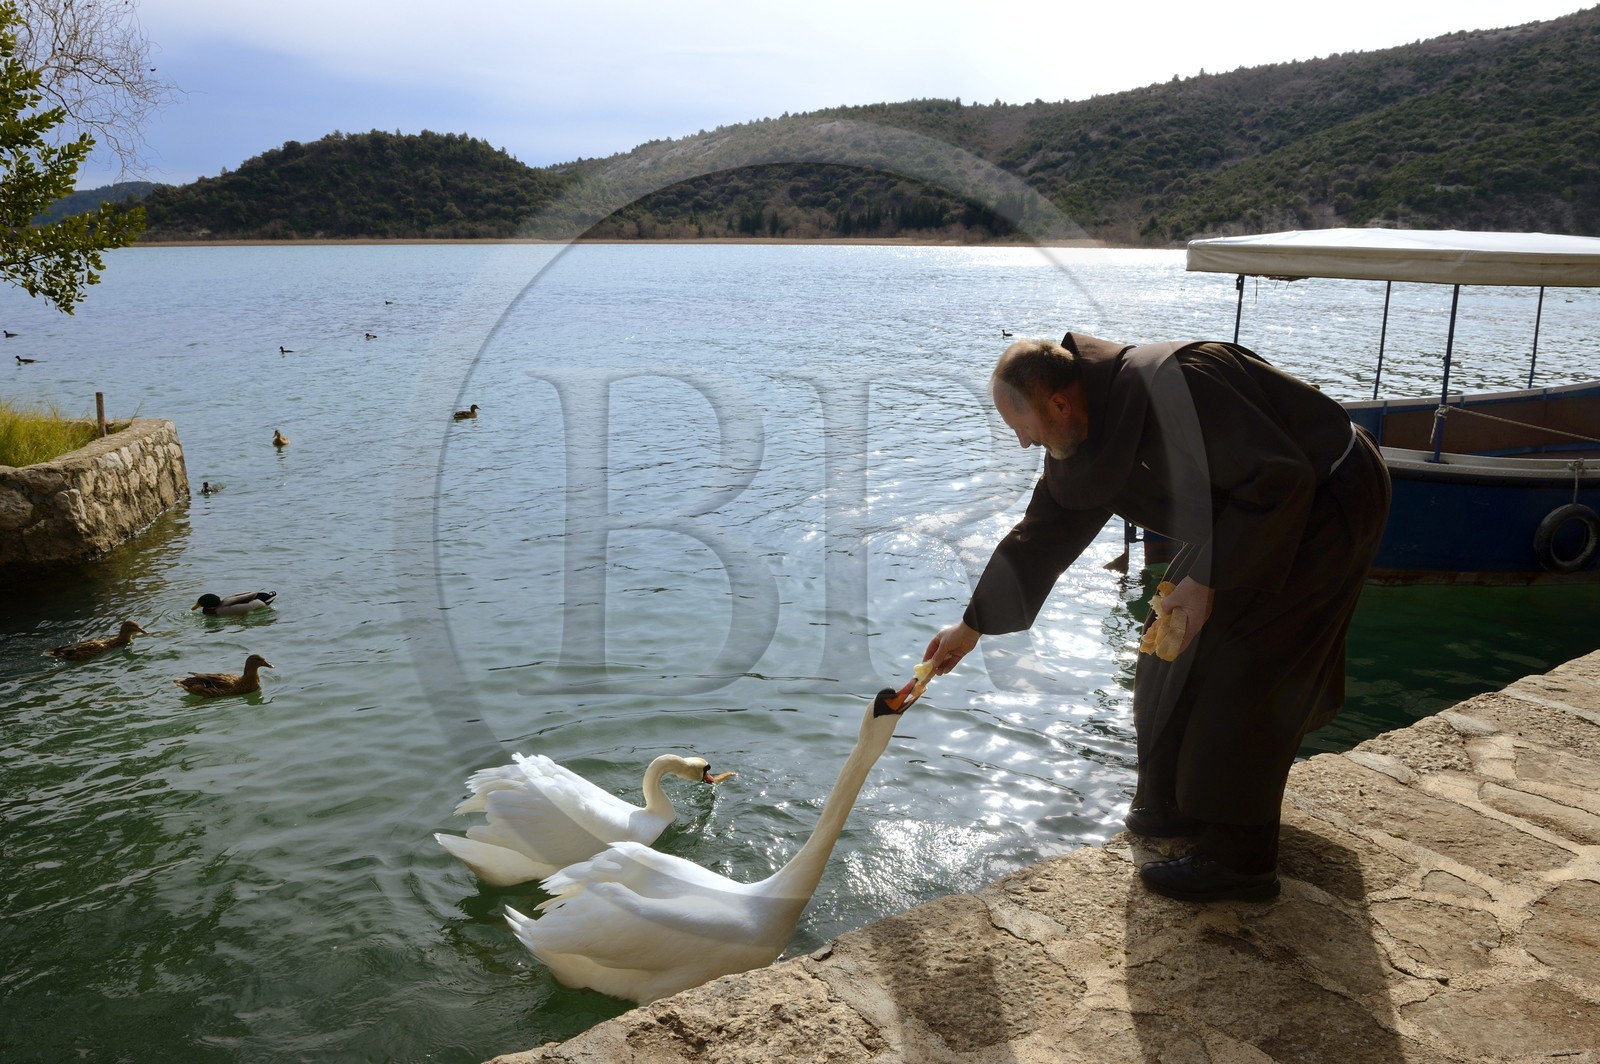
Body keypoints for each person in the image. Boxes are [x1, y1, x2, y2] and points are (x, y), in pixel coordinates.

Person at [922, 332, 1390, 902]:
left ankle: (1241, 857)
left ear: (1060, 405)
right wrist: (970, 627)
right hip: (1247, 516)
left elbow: (1281, 478)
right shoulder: (1084, 434)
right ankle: (1176, 804)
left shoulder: (1183, 383)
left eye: (1023, 427)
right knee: (1169, 653)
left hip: (1325, 499)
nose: (1023, 444)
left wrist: (1207, 579)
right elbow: (1041, 536)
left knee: (1247, 668)